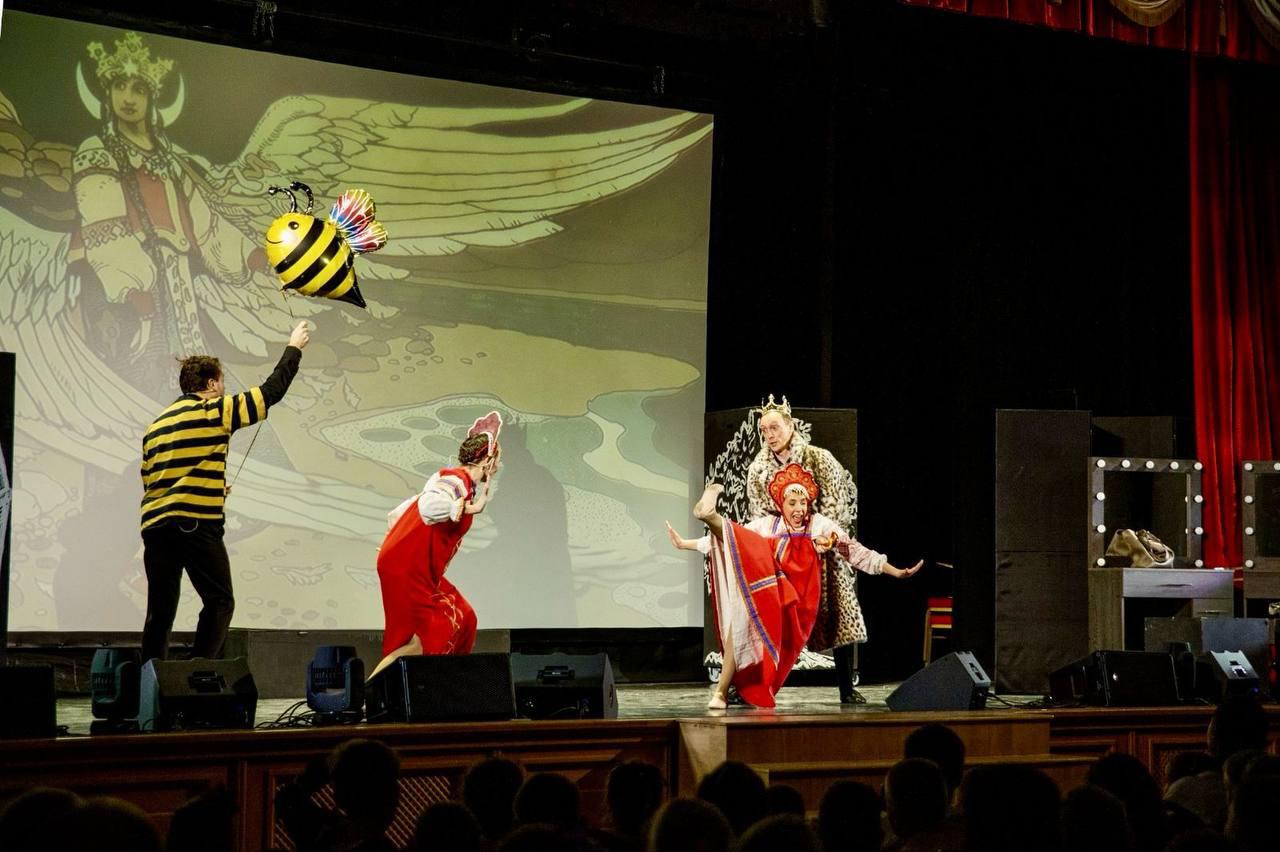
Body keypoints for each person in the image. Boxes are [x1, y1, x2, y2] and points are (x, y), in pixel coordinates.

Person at [670, 464, 919, 709]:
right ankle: (721, 693)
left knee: (777, 651)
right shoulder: (769, 525)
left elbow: (854, 551)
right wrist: (686, 544)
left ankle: (732, 691)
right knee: (741, 613)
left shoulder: (819, 525)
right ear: (782, 504)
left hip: (799, 605)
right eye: (792, 503)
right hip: (772, 589)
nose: (799, 508)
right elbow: (734, 542)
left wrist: (893, 570)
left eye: (803, 503)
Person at [139, 320, 310, 662]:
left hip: (156, 527)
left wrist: (211, 487)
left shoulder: (155, 425)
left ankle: (150, 680)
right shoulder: (214, 409)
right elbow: (271, 391)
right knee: (219, 601)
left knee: (161, 611)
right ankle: (198, 673)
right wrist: (294, 347)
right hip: (194, 524)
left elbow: (153, 481)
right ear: (212, 383)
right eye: (222, 382)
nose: (224, 388)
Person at [745, 395, 884, 702]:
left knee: (837, 613)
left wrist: (825, 539)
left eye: (774, 427)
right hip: (781, 549)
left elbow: (836, 504)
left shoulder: (820, 459)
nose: (769, 435)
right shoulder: (758, 469)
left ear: (790, 426)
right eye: (764, 430)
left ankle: (846, 687)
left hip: (821, 548)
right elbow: (758, 514)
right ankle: (751, 684)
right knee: (766, 617)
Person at [370, 412, 503, 677]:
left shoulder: (456, 482)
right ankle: (366, 693)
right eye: (497, 460)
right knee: (427, 635)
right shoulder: (455, 482)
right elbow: (427, 506)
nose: (499, 465)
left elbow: (403, 510)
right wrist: (467, 507)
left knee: (464, 616)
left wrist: (391, 539)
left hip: (411, 564)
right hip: (408, 567)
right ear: (487, 461)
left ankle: (449, 683)